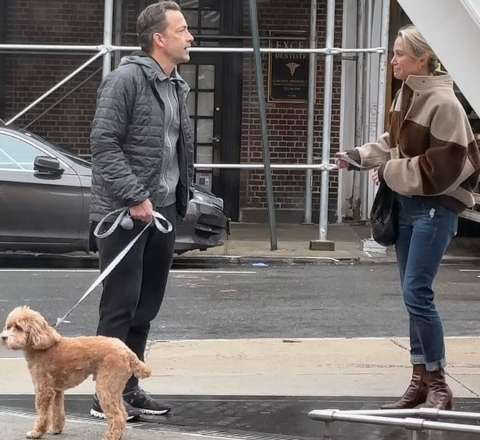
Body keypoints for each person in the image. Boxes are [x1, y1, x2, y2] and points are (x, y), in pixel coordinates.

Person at [337, 25, 480, 410]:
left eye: (400, 53)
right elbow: (393, 143)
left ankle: (437, 384)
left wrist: (387, 172)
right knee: (411, 295)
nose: (393, 60)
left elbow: (444, 167)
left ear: (421, 59)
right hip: (407, 206)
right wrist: (358, 156)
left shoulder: (443, 103)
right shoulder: (407, 95)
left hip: (435, 207)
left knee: (418, 293)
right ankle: (420, 381)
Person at [89, 1, 194, 419]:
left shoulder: (175, 85)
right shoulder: (125, 80)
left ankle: (129, 389)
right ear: (160, 38)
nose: (190, 36)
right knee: (120, 307)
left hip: (162, 212)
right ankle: (105, 398)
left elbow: (175, 150)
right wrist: (134, 197)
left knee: (146, 307)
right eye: (183, 29)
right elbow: (104, 144)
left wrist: (179, 196)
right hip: (124, 214)